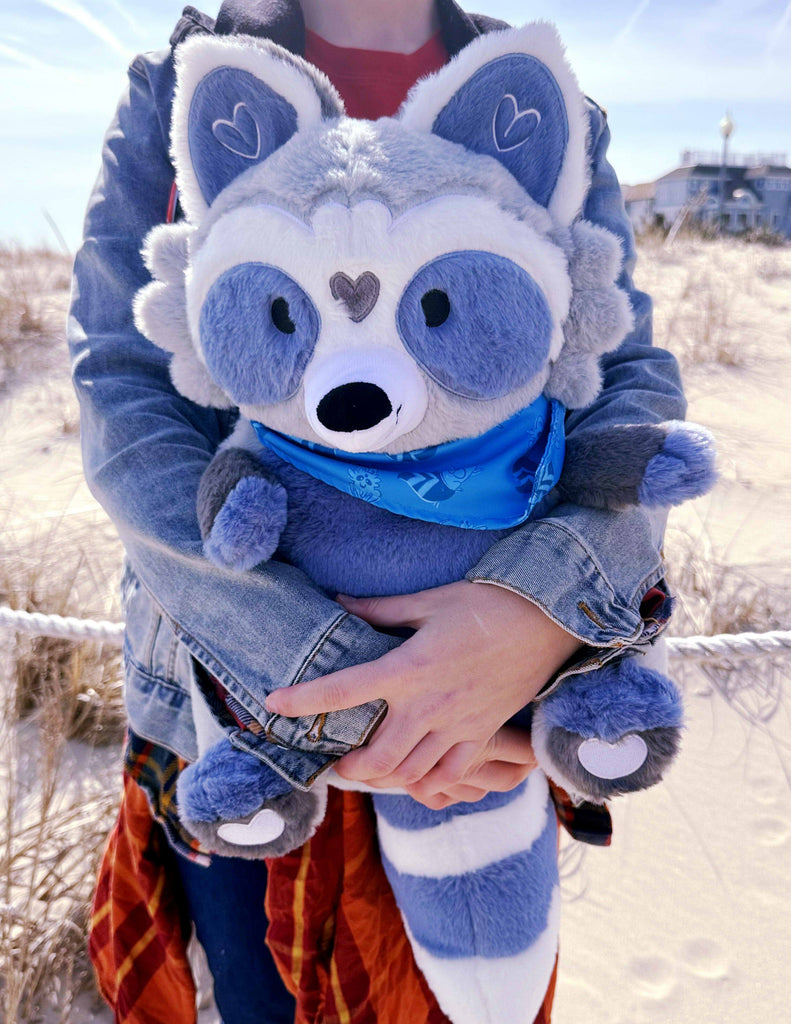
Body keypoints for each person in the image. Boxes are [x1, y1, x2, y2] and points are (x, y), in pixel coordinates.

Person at [69, 1, 685, 1021]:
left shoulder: (531, 87)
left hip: (497, 711)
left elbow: (622, 375)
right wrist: (324, 681)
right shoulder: (180, 79)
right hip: (246, 716)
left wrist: (531, 622)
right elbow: (121, 393)